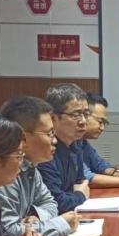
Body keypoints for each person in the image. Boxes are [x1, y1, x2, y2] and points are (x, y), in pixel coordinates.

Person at [0, 96, 79, 236]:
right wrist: (62, 224)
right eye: (49, 134)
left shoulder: (31, 167)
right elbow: (8, 232)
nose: (55, 140)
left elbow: (50, 204)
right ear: (23, 138)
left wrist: (36, 216)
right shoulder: (3, 171)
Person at [38, 83, 92, 214]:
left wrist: (76, 193)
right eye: (76, 115)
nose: (83, 121)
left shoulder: (75, 143)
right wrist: (80, 195)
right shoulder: (44, 150)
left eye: (86, 114)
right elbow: (57, 202)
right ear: (53, 118)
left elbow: (80, 182)